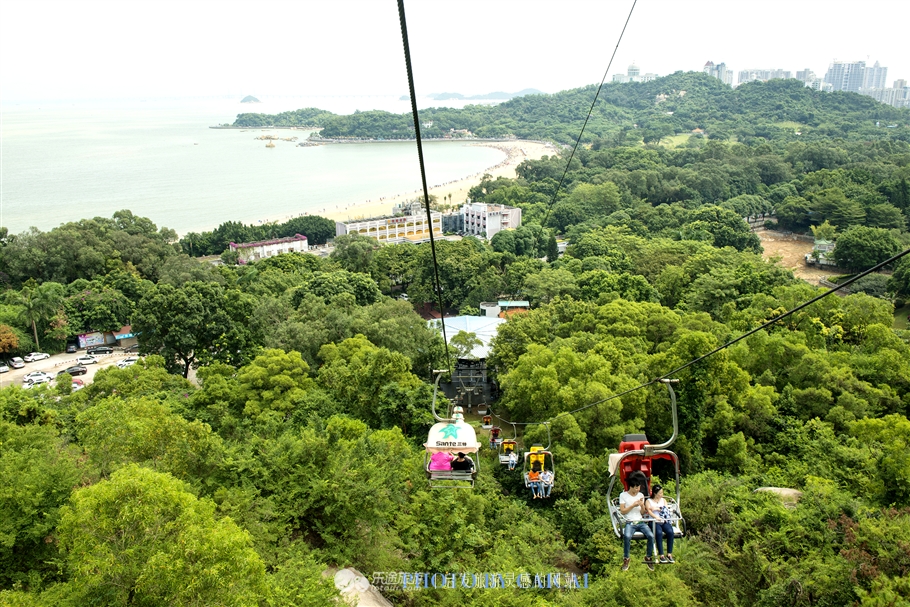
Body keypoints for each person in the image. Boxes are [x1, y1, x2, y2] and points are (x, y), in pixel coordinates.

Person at [619, 472, 655, 571]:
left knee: (651, 536)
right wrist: (632, 506)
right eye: (636, 488)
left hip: (639, 521)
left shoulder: (640, 495)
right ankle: (626, 558)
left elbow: (642, 512)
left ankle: (648, 557)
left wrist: (642, 505)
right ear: (631, 487)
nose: (638, 490)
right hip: (630, 521)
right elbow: (622, 511)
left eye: (639, 487)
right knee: (627, 536)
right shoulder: (623, 495)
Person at [647, 483, 675, 563]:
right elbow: (649, 511)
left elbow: (665, 509)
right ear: (655, 493)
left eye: (662, 493)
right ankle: (661, 555)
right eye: (660, 493)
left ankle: (669, 554)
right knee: (658, 533)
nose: (661, 495)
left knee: (670, 532)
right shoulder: (649, 501)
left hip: (663, 520)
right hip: (654, 521)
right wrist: (656, 517)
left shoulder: (663, 500)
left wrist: (656, 508)